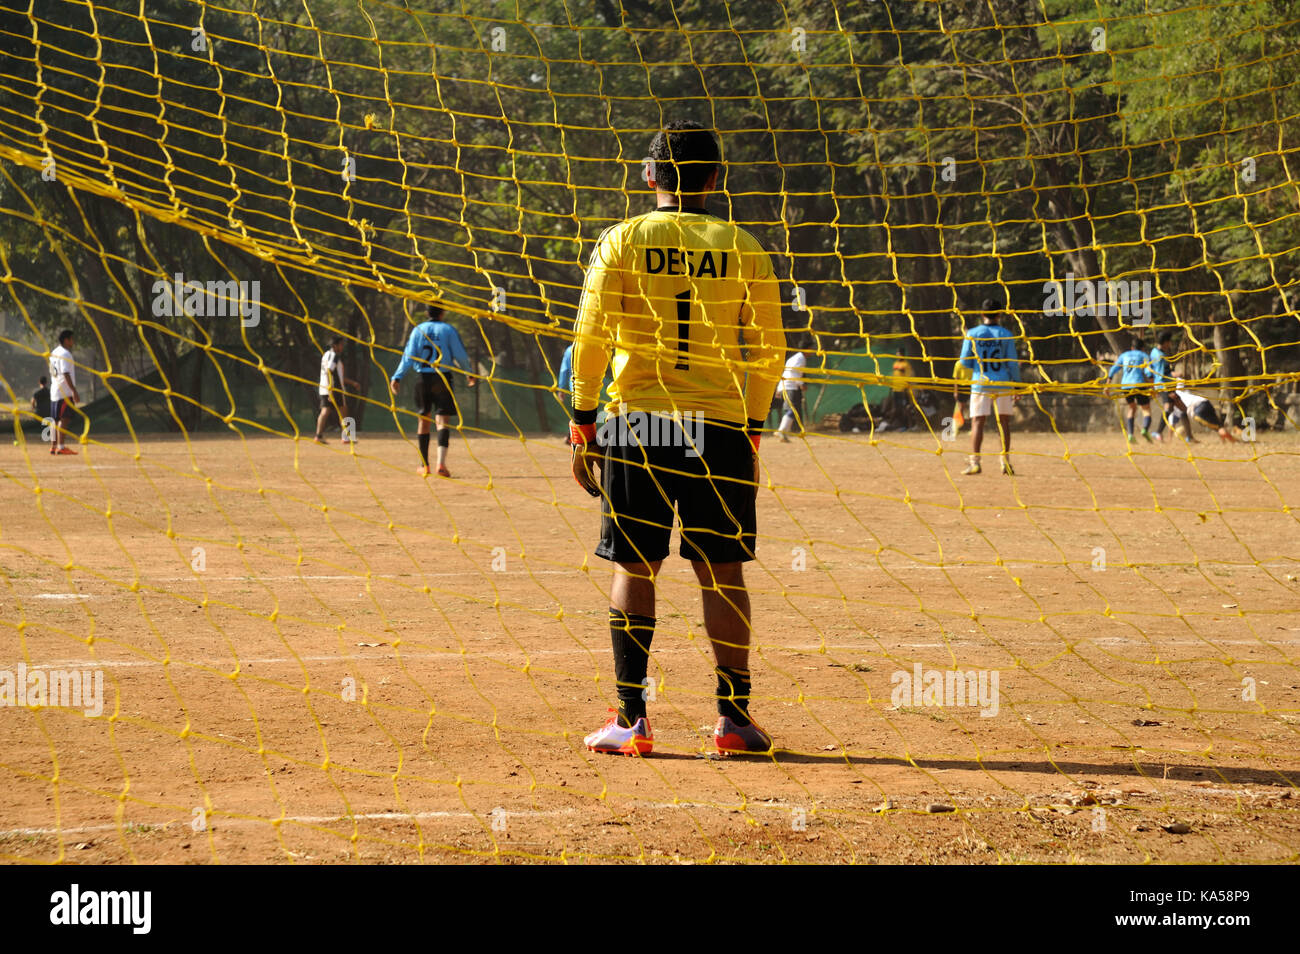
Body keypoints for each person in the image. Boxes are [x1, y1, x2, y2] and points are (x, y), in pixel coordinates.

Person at [569, 120, 785, 757]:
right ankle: (734, 720)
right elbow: (767, 349)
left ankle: (632, 720)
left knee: (636, 565)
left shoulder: (621, 240)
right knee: (723, 573)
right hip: (719, 428)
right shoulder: (744, 246)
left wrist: (583, 420)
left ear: (647, 175)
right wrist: (751, 424)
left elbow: (591, 336)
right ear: (717, 179)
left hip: (637, 423)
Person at [390, 303, 476, 477]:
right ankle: (441, 464)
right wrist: (469, 372)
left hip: (423, 378)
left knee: (424, 420)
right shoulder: (448, 330)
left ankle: (424, 465)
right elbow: (460, 354)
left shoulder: (418, 330)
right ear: (443, 312)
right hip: (442, 378)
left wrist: (397, 377)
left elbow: (408, 356)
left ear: (426, 313)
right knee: (443, 420)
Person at [958, 301, 1021, 475]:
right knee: (1004, 422)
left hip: (980, 381)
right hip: (1002, 381)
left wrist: (978, 367)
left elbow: (964, 361)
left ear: (982, 314)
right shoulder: (1006, 334)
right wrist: (1017, 384)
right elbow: (1013, 363)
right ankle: (1005, 463)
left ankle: (975, 463)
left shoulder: (972, 333)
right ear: (1000, 314)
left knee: (978, 421)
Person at [1107, 335, 1155, 443]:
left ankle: (1130, 435)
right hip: (1139, 385)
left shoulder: (1124, 355)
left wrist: (1107, 384)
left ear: (1132, 347)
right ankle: (1145, 429)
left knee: (1132, 408)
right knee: (1146, 409)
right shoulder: (1144, 355)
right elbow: (1148, 372)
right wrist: (1153, 387)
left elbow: (1113, 369)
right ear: (1142, 348)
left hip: (1126, 386)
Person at [315, 337, 360, 445]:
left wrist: (352, 383)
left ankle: (318, 436)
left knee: (325, 411)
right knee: (343, 410)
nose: (342, 347)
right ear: (335, 345)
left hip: (325, 388)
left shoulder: (326, 355)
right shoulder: (334, 356)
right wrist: (331, 389)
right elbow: (330, 371)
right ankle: (346, 437)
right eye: (341, 345)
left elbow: (337, 375)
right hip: (334, 388)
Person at [1147, 331, 1187, 443]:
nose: (1170, 344)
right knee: (1170, 407)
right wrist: (1176, 375)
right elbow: (1162, 374)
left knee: (1181, 408)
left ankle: (1188, 436)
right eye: (1169, 342)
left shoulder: (1154, 351)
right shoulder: (1160, 356)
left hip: (1164, 385)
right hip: (1164, 385)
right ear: (1165, 342)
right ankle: (1158, 432)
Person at [48, 329, 80, 455]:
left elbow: (52, 372)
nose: (73, 341)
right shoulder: (66, 354)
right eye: (72, 339)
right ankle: (61, 447)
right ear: (66, 340)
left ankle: (53, 446)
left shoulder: (53, 353)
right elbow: (66, 373)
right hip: (64, 391)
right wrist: (74, 391)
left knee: (55, 420)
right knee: (65, 418)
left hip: (54, 390)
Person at [1172, 386, 1237, 443]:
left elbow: (1180, 418)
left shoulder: (1174, 401)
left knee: (1219, 428)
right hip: (1205, 402)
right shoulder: (1179, 392)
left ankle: (1234, 442)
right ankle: (1228, 442)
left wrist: (1188, 436)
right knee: (1218, 425)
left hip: (1197, 409)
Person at [775, 349, 806, 441]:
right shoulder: (800, 358)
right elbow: (792, 372)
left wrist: (779, 388)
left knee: (792, 409)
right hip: (790, 386)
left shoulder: (795, 358)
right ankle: (781, 430)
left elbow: (787, 372)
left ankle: (783, 433)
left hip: (787, 385)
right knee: (792, 409)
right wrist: (801, 384)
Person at [888, 352, 914, 430]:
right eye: (897, 354)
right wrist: (891, 386)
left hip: (903, 389)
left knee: (906, 408)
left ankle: (910, 426)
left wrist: (906, 387)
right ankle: (899, 425)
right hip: (896, 389)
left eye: (899, 354)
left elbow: (908, 376)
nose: (898, 356)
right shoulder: (895, 364)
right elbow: (894, 376)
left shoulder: (906, 364)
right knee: (896, 408)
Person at [951, 354, 972, 431]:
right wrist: (955, 391)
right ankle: (960, 425)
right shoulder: (958, 363)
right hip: (961, 387)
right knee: (960, 408)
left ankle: (972, 426)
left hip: (972, 386)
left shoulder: (973, 362)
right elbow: (956, 379)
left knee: (972, 407)